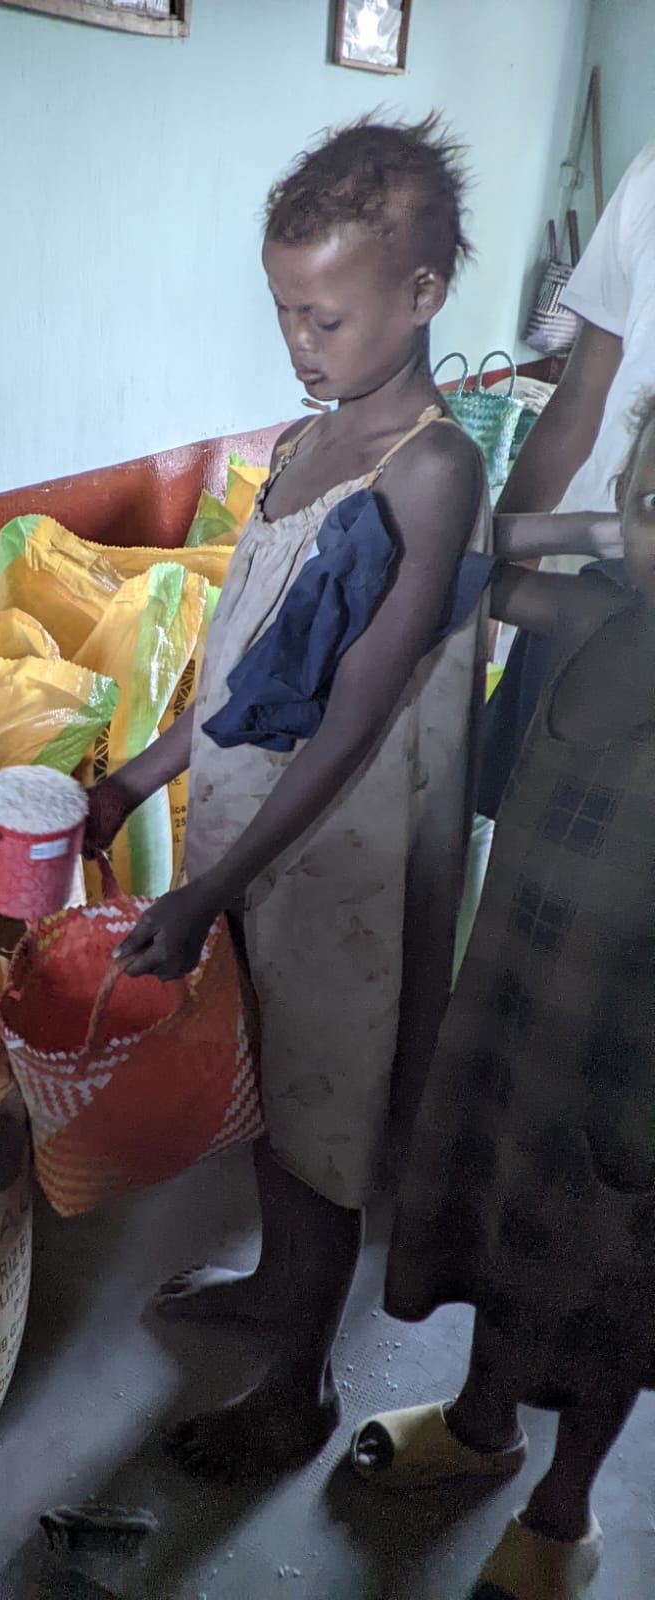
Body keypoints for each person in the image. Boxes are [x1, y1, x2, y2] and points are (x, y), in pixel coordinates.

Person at [84, 116, 492, 1481]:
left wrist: (208, 886)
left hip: (338, 855)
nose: (301, 343)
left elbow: (358, 704)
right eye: (284, 311)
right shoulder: (308, 441)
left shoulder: (431, 468)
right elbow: (256, 664)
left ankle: (298, 1385)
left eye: (327, 316)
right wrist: (140, 776)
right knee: (274, 1077)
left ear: (423, 294)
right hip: (249, 840)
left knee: (326, 1115)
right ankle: (275, 1283)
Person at [349, 391, 655, 1600]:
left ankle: (563, 1513)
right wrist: (593, 526)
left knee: (611, 1280)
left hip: (636, 1066)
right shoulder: (591, 618)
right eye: (652, 505)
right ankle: (482, 1423)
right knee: (503, 1211)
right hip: (523, 1009)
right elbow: (463, 561)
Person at [477, 137, 655, 821]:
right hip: (592, 570)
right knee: (529, 828)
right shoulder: (649, 173)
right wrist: (492, 570)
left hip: (613, 561)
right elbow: (579, 398)